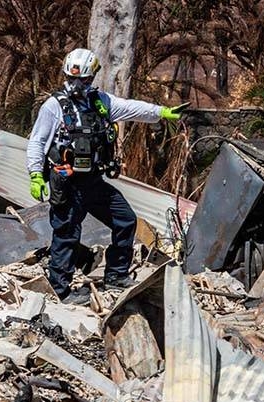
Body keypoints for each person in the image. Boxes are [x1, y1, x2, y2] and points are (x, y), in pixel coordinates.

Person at [27, 48, 185, 303]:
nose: (76, 84)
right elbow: (37, 141)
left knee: (125, 220)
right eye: (71, 78)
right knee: (67, 234)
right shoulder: (54, 106)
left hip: (93, 182)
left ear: (91, 78)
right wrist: (35, 174)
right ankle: (61, 291)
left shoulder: (100, 102)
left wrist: (162, 112)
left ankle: (116, 275)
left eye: (83, 79)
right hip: (67, 184)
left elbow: (132, 108)